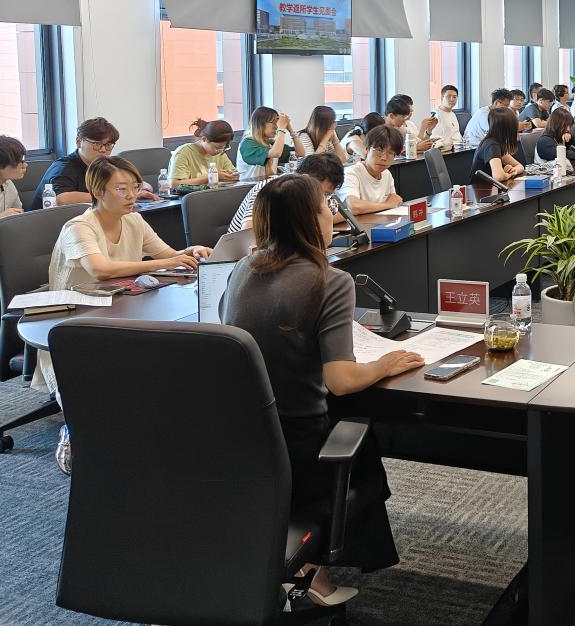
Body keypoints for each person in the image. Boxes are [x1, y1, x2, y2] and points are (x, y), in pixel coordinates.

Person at [221, 174, 422, 602]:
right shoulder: (329, 279)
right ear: (309, 221)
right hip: (300, 444)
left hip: (243, 438)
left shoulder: (241, 268)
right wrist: (383, 363)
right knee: (361, 436)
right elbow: (341, 381)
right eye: (327, 208)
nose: (334, 215)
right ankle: (310, 570)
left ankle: (293, 558)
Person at [42, 155, 209, 474]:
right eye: (121, 189)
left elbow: (167, 255)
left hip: (121, 311)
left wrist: (190, 252)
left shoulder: (133, 220)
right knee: (99, 386)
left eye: (134, 187)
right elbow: (101, 270)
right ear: (98, 191)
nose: (132, 195)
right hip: (73, 322)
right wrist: (163, 263)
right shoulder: (78, 227)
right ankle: (76, 431)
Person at [27, 117, 155, 209]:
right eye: (97, 144)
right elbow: (62, 199)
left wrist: (138, 189)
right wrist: (113, 196)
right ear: (79, 141)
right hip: (49, 227)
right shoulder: (63, 167)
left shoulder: (104, 165)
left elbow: (142, 184)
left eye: (108, 145)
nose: (103, 150)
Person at [229, 153, 345, 234]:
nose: (323, 198)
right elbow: (248, 231)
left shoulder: (310, 192)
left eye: (327, 194)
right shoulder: (272, 189)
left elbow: (338, 215)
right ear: (306, 178)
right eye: (323, 193)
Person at [339, 126, 403, 215]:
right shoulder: (350, 173)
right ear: (367, 149)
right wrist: (387, 205)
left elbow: (394, 200)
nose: (384, 158)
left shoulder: (386, 174)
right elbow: (354, 206)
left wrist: (390, 203)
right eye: (379, 150)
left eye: (390, 153)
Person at [168, 119, 239, 186]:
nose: (221, 151)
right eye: (218, 147)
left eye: (224, 148)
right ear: (204, 139)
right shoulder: (183, 153)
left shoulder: (220, 153)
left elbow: (235, 174)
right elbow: (174, 184)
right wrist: (211, 177)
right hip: (192, 194)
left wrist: (231, 176)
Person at [237, 106, 301, 181]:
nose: (276, 126)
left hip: (268, 185)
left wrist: (290, 129)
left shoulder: (270, 143)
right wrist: (281, 129)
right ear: (260, 123)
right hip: (249, 186)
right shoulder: (247, 143)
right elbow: (276, 153)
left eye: (277, 123)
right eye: (273, 122)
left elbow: (299, 153)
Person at [471, 107, 525, 185]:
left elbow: (520, 166)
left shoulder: (497, 142)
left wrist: (513, 170)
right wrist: (509, 175)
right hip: (481, 189)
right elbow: (498, 177)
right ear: (508, 128)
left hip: (491, 188)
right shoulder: (492, 145)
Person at [0, 135, 28, 217]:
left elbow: (19, 213)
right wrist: (2, 217)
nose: (25, 165)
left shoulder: (9, 184)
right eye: (20, 161)